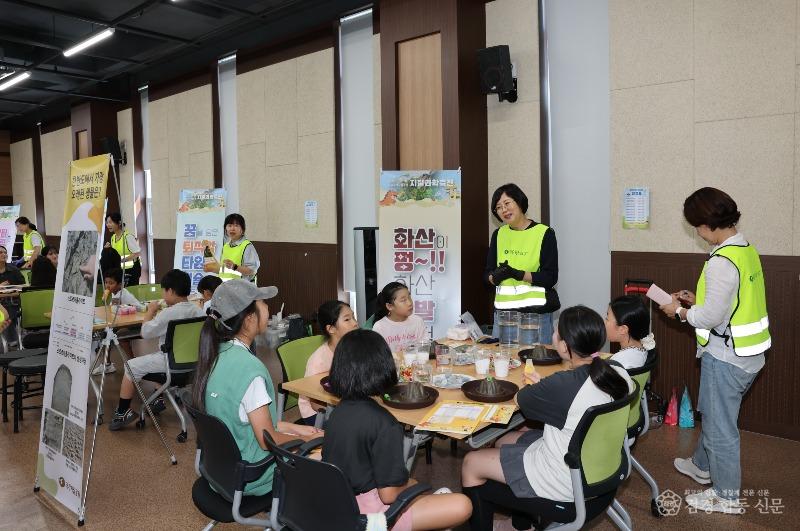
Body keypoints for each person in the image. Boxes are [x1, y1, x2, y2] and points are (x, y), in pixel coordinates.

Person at [461, 306, 633, 530]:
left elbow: (520, 399)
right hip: (604, 473)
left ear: (564, 346)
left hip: (564, 487)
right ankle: (522, 525)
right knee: (504, 440)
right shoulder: (619, 372)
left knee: (471, 463)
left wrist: (541, 387)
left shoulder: (562, 384)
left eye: (556, 332)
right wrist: (545, 387)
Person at [659, 187, 769, 515]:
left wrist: (679, 312)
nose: (697, 232)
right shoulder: (745, 249)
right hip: (749, 354)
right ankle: (702, 465)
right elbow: (732, 302)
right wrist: (699, 301)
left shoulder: (721, 261)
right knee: (714, 412)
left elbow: (709, 318)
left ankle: (726, 496)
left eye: (697, 226)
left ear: (708, 224)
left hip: (727, 358)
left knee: (721, 427)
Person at [323, 329, 472, 530]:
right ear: (383, 367)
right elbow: (388, 495)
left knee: (414, 484)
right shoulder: (385, 423)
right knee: (462, 504)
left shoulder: (338, 411)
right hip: (367, 516)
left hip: (336, 503)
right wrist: (414, 485)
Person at [191, 280, 322, 496]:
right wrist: (307, 440)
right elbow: (267, 440)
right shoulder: (249, 369)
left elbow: (245, 419)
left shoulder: (215, 354)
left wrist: (296, 428)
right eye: (263, 303)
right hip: (254, 475)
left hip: (221, 472)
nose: (268, 307)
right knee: (327, 456)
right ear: (249, 319)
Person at [109, 269, 205, 431]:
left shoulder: (168, 313)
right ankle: (156, 399)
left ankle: (123, 412)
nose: (162, 294)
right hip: (194, 368)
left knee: (130, 366)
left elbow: (145, 333)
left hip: (170, 366)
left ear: (170, 291)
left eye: (163, 291)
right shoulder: (199, 311)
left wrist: (150, 312)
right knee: (157, 356)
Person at [485, 184, 560, 344]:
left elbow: (550, 277)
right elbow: (487, 275)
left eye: (507, 203)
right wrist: (495, 277)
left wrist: (519, 274)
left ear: (519, 201)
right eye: (499, 207)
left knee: (534, 358)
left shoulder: (544, 233)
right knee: (502, 358)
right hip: (504, 316)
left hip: (535, 315)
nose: (504, 210)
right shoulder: (498, 234)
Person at [297, 300, 359, 426]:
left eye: (353, 317)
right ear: (331, 329)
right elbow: (315, 403)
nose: (355, 323)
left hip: (342, 402)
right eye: (347, 319)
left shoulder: (354, 348)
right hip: (318, 412)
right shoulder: (318, 361)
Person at [93, 268, 146, 376]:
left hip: (136, 321)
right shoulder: (114, 292)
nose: (107, 286)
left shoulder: (121, 294)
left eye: (111, 283)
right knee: (106, 333)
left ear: (120, 285)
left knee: (119, 334)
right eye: (106, 282)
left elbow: (113, 309)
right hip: (125, 319)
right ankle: (107, 364)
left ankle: (133, 363)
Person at [371, 282, 428, 353]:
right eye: (403, 300)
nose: (410, 303)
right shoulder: (379, 327)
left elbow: (424, 348)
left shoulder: (417, 321)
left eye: (409, 297)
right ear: (389, 306)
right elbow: (378, 356)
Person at [204, 213, 260, 282]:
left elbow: (252, 271)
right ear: (225, 229)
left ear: (242, 229)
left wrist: (235, 267)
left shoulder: (247, 246)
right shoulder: (226, 246)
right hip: (225, 286)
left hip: (242, 287)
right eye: (229, 225)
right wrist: (212, 269)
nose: (232, 229)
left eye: (236, 226)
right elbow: (224, 271)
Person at [606, 295, 656, 370]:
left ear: (623, 329)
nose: (604, 323)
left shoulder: (618, 363)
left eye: (607, 319)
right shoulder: (643, 349)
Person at [104, 213, 141, 286]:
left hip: (131, 271)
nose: (108, 225)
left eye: (110, 222)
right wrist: (108, 250)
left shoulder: (128, 236)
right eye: (107, 222)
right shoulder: (113, 238)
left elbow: (137, 253)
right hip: (119, 271)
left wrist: (123, 260)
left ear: (119, 223)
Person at [0, 245, 26, 345]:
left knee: (10, 307)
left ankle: (11, 340)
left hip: (13, 300)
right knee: (6, 308)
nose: (4, 254)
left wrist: (11, 289)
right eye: (0, 252)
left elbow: (23, 285)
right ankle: (12, 340)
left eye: (5, 252)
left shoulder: (14, 269)